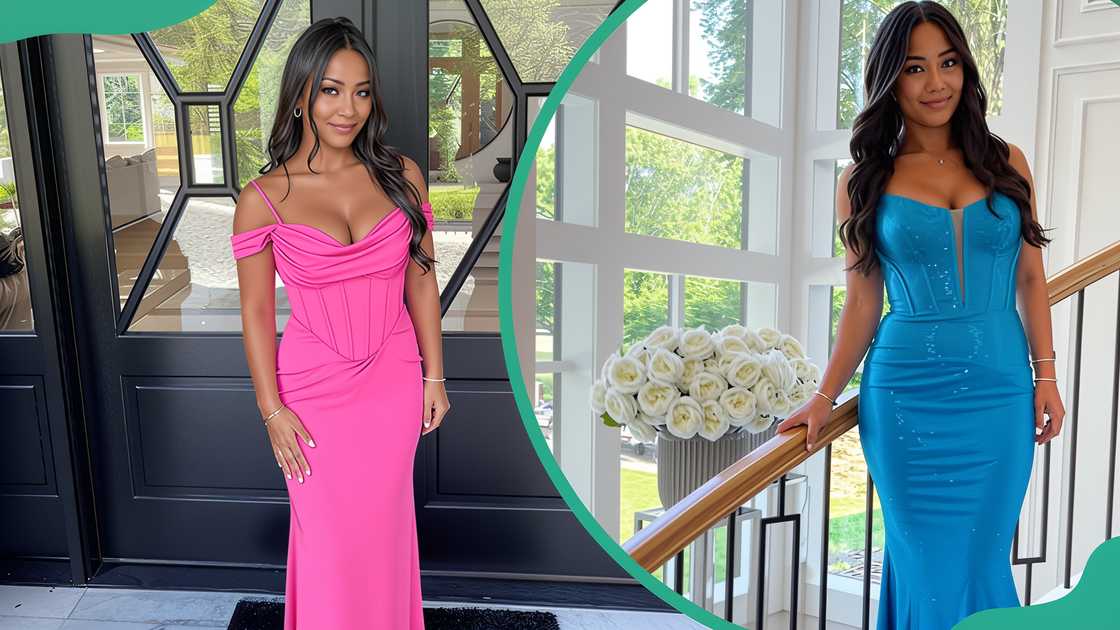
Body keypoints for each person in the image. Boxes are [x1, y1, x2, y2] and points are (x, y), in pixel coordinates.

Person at [777, 2, 1065, 628]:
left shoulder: (1007, 160)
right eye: (915, 68)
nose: (937, 83)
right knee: (926, 564)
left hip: (1000, 394)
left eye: (948, 63)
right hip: (907, 398)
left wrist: (1047, 375)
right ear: (890, 79)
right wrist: (825, 396)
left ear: (964, 69)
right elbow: (861, 301)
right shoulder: (863, 181)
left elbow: (1030, 276)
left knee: (982, 560)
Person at [229, 17, 449, 629]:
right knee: (326, 540)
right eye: (330, 89)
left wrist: (435, 376)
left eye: (361, 90)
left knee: (384, 532)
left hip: (392, 381)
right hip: (311, 393)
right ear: (301, 95)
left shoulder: (400, 175)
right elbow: (254, 312)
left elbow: (421, 278)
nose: (347, 107)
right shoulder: (263, 197)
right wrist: (271, 410)